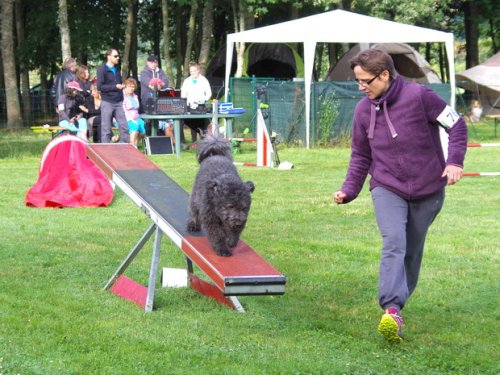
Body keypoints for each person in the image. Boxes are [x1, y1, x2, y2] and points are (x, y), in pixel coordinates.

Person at [332, 49, 467, 343]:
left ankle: (397, 306)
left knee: (412, 251)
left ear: (385, 75)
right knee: (394, 242)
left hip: (429, 188)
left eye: (365, 81)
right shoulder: (362, 111)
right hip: (386, 186)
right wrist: (350, 189)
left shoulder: (420, 96)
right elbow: (360, 156)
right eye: (357, 81)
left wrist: (454, 161)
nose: (361, 87)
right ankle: (391, 310)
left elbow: (456, 124)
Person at [96, 48, 129, 143]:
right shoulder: (102, 69)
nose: (118, 58)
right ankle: (105, 152)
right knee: (106, 128)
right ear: (108, 56)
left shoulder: (117, 68)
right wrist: (115, 87)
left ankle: (126, 150)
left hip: (118, 102)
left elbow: (118, 83)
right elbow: (100, 87)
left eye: (119, 56)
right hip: (107, 102)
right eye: (115, 56)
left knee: (124, 126)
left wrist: (122, 86)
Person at [181, 61, 212, 145]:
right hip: (190, 106)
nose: (193, 73)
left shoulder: (204, 80)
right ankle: (194, 142)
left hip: (201, 106)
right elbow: (183, 94)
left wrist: (203, 100)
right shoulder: (187, 81)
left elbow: (209, 93)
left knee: (202, 124)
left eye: (194, 71)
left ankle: (203, 142)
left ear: (198, 70)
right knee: (192, 123)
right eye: (191, 71)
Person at [123, 78, 146, 147]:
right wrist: (131, 119)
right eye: (130, 86)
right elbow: (124, 110)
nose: (132, 88)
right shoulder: (122, 95)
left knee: (143, 132)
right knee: (135, 127)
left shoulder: (135, 96)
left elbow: (137, 108)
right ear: (125, 86)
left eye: (133, 87)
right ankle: (132, 147)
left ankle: (134, 144)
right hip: (126, 118)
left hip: (136, 117)